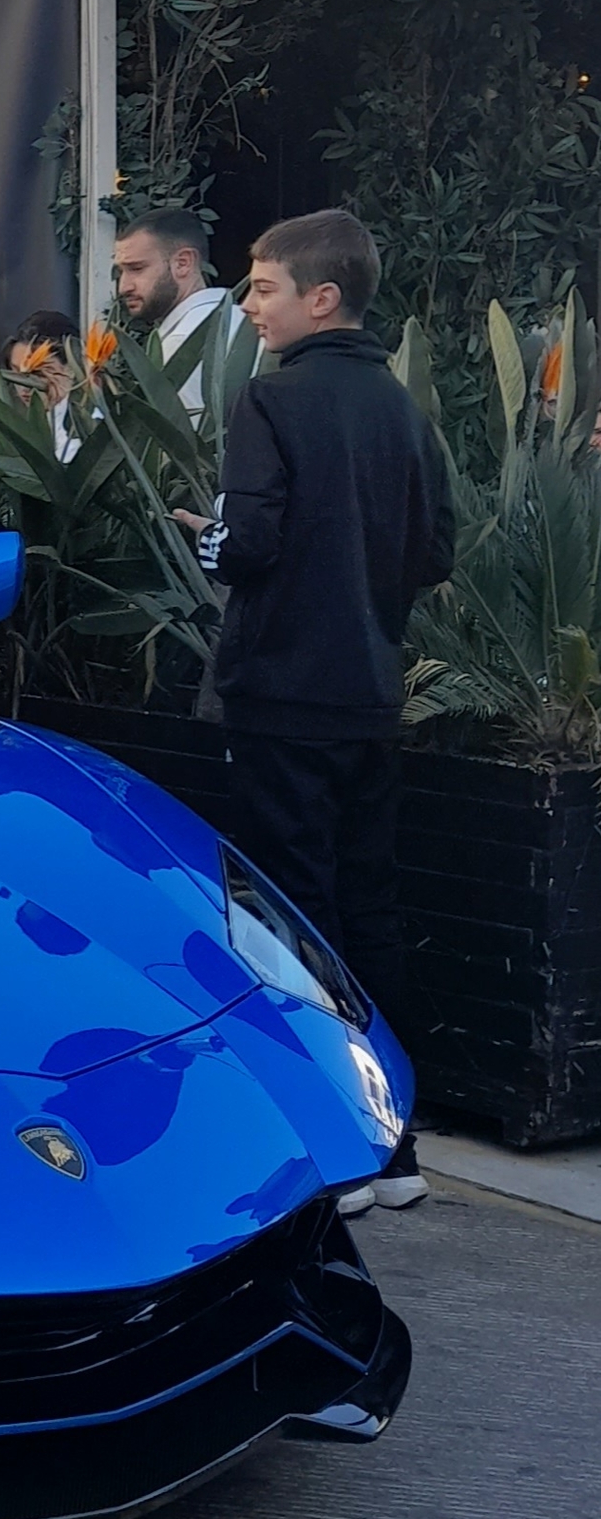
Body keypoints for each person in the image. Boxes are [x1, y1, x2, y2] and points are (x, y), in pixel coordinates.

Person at [199, 209, 453, 1196]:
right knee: (370, 905)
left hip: (280, 696)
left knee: (292, 917)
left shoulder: (272, 402)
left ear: (321, 297)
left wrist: (209, 538)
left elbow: (246, 545)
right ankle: (396, 1147)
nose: (248, 303)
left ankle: (329, 1152)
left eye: (262, 286)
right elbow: (434, 551)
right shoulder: (399, 407)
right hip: (367, 694)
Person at [113, 207, 248, 417]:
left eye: (137, 268)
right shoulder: (249, 321)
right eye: (121, 271)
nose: (124, 287)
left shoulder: (181, 344)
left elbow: (188, 445)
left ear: (183, 263)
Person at [0, 308, 82, 461]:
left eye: (38, 374)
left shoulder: (87, 427)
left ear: (71, 367)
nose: (24, 387)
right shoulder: (25, 428)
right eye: (15, 373)